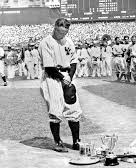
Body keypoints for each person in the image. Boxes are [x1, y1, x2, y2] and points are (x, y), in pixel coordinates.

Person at [39, 18, 82, 152]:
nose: (61, 35)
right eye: (59, 32)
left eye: (64, 33)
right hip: (53, 78)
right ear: (55, 28)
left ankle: (76, 141)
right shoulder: (46, 42)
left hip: (67, 76)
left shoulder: (68, 41)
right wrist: (63, 78)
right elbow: (49, 67)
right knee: (55, 110)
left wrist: (70, 76)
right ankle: (58, 142)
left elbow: (74, 61)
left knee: (74, 109)